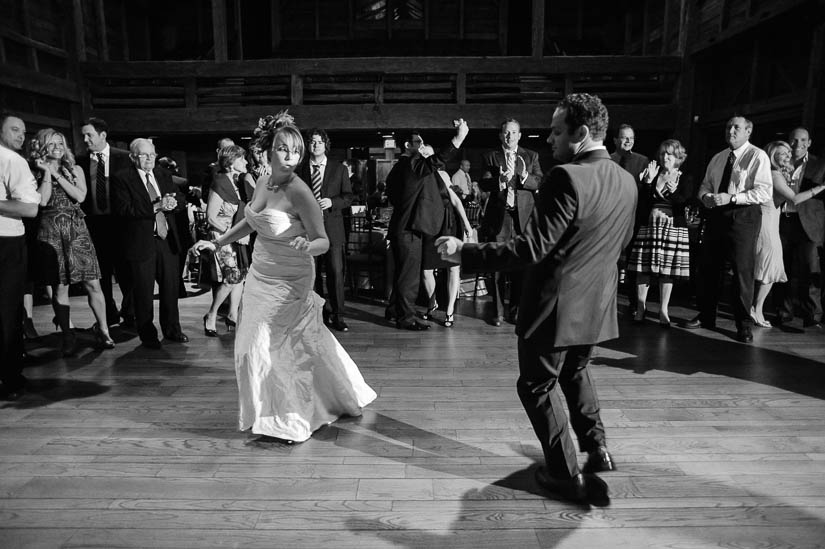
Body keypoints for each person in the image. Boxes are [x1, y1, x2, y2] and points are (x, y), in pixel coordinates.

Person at [437, 93, 636, 506]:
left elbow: (529, 249)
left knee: (537, 385)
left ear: (581, 134)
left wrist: (465, 251)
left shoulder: (566, 177)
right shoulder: (625, 179)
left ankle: (565, 475)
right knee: (576, 372)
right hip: (597, 305)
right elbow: (621, 243)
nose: (548, 137)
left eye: (557, 130)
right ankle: (598, 450)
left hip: (555, 307)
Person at [191, 111, 376, 442]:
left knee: (274, 347)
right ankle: (331, 395)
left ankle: (289, 418)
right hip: (261, 274)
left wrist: (309, 245)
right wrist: (218, 240)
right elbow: (252, 221)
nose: (289, 157)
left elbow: (324, 241)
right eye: (282, 149)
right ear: (269, 150)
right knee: (252, 347)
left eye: (295, 151)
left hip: (292, 277)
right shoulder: (262, 182)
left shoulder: (300, 192)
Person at [685, 116, 772, 343]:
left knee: (741, 271)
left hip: (743, 215)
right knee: (709, 267)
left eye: (736, 127)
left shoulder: (757, 155)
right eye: (728, 127)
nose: (731, 131)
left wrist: (733, 197)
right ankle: (706, 316)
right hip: (716, 214)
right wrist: (705, 197)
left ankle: (743, 323)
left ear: (748, 131)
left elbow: (764, 192)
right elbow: (705, 185)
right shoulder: (719, 157)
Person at [30, 129, 115, 356]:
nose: (57, 146)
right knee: (60, 286)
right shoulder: (34, 171)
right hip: (51, 231)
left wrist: (57, 174)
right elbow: (43, 200)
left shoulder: (74, 168)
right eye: (52, 143)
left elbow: (80, 196)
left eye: (60, 142)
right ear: (42, 146)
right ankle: (68, 334)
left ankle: (104, 330)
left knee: (93, 283)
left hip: (77, 229)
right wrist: (46, 173)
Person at [385, 124, 468, 330]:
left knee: (403, 273)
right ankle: (406, 318)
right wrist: (458, 139)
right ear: (407, 145)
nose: (422, 146)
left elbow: (395, 196)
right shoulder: (411, 163)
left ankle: (394, 310)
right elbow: (437, 160)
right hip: (408, 229)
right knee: (409, 277)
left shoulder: (400, 166)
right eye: (418, 142)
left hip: (402, 226)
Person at [111, 139, 189, 349]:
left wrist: (174, 204)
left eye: (152, 154)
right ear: (133, 157)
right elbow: (124, 210)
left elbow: (180, 198)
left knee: (170, 288)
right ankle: (148, 335)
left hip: (166, 239)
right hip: (141, 240)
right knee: (143, 292)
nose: (149, 159)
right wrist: (156, 206)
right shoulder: (122, 178)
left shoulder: (163, 174)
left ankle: (173, 330)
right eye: (144, 155)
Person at [479, 118, 543, 326]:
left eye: (514, 133)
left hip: (522, 220)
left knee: (520, 268)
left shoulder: (531, 156)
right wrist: (500, 181)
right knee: (497, 267)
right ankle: (497, 313)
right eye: (506, 133)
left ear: (520, 135)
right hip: (500, 218)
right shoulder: (490, 156)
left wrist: (524, 177)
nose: (510, 136)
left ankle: (515, 311)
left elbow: (539, 182)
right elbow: (483, 183)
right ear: (501, 135)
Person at [626, 139, 694, 327]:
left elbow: (684, 202)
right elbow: (643, 202)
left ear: (678, 157)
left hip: (672, 227)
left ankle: (663, 309)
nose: (665, 157)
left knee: (667, 269)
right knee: (643, 268)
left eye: (669, 154)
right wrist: (648, 183)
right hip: (650, 224)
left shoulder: (684, 176)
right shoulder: (653, 173)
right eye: (663, 154)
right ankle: (641, 307)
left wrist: (674, 193)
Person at [77, 117, 133, 326]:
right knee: (101, 273)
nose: (85, 139)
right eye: (83, 135)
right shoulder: (80, 161)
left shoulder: (125, 158)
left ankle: (130, 313)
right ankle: (108, 314)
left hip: (121, 224)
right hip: (94, 224)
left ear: (102, 135)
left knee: (127, 272)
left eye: (89, 134)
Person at [0, 111, 40, 399]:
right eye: (14, 130)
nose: (21, 136)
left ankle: (10, 376)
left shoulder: (14, 161)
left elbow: (29, 209)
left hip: (7, 243)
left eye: (23, 132)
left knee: (6, 311)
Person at [299, 128, 354, 332]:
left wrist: (332, 201)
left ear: (325, 145)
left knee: (335, 273)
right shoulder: (300, 170)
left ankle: (338, 315)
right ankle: (316, 314)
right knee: (311, 275)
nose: (316, 145)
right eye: (312, 142)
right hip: (308, 231)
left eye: (319, 142)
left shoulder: (339, 169)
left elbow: (348, 197)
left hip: (333, 229)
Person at [775, 128, 825, 328]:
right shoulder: (780, 162)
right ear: (788, 141)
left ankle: (813, 314)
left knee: (811, 269)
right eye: (794, 140)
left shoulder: (820, 164)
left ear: (810, 142)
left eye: (803, 140)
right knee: (782, 268)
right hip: (783, 220)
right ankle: (783, 311)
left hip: (810, 224)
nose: (798, 144)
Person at [202, 145, 253, 337]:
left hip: (236, 235)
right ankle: (212, 314)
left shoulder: (238, 182)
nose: (246, 162)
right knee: (231, 278)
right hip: (221, 237)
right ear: (232, 162)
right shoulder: (220, 182)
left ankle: (233, 314)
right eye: (242, 159)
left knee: (241, 275)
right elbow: (211, 218)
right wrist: (234, 233)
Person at [421, 169, 472, 327]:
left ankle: (449, 311)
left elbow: (456, 201)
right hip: (429, 225)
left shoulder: (442, 174)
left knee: (453, 268)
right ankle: (432, 303)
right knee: (426, 269)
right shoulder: (418, 175)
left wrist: (467, 225)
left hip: (448, 224)